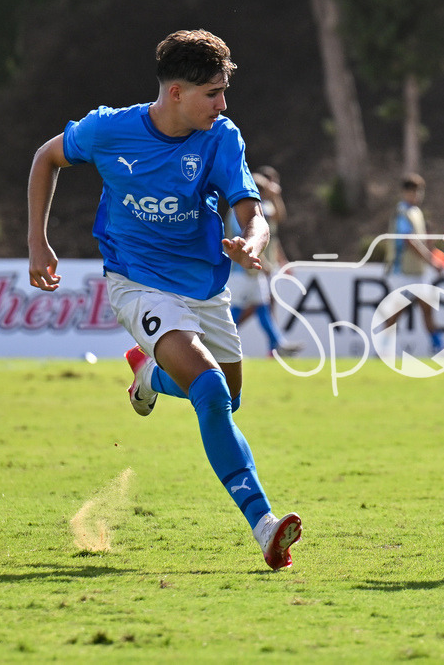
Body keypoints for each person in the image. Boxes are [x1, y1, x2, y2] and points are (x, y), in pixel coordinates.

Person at [26, 29, 302, 570]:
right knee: (211, 390)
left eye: (224, 92)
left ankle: (149, 376)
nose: (223, 105)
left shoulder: (221, 137)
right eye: (212, 94)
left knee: (226, 399)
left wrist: (253, 242)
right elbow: (45, 158)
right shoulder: (109, 130)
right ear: (176, 92)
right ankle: (264, 524)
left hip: (205, 289)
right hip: (138, 282)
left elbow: (252, 211)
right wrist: (38, 240)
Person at [225, 167, 302, 358]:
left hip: (255, 269)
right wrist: (265, 263)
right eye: (266, 191)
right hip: (241, 269)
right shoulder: (240, 210)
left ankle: (278, 344)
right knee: (236, 310)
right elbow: (246, 239)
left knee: (262, 307)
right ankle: (220, 341)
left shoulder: (259, 209)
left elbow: (277, 220)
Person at [383, 173, 444, 353]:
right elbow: (409, 241)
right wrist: (431, 260)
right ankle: (383, 347)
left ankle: (438, 346)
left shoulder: (416, 212)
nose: (416, 195)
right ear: (404, 192)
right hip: (403, 271)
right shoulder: (402, 212)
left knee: (427, 309)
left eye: (419, 192)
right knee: (396, 312)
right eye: (412, 191)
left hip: (418, 271)